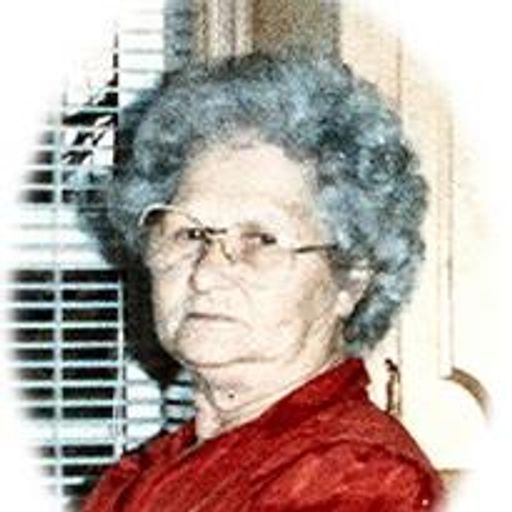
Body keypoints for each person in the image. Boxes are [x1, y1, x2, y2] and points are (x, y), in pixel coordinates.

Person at [81, 51, 443, 511]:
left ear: (350, 281)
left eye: (260, 240)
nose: (206, 272)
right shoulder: (139, 478)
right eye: (189, 234)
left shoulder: (361, 479)